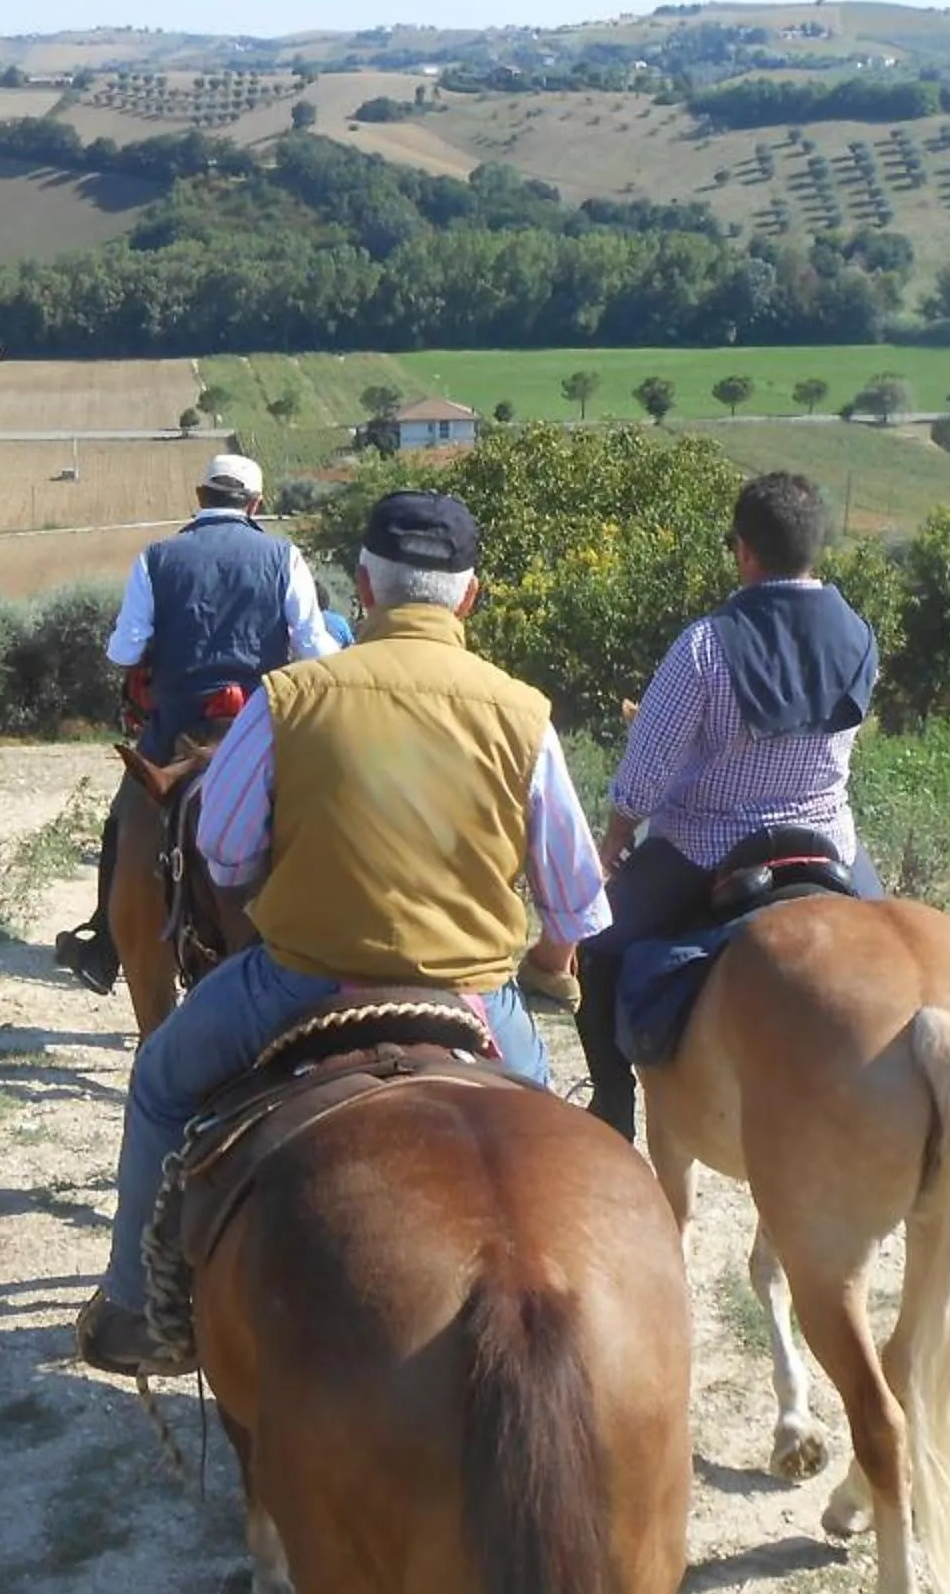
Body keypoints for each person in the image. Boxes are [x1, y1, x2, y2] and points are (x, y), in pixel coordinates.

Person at [72, 488, 612, 1376]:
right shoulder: (523, 713)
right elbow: (577, 900)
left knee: (162, 1081)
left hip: (301, 976)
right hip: (471, 995)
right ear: (470, 598)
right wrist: (550, 960)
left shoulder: (291, 697)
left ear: (362, 587)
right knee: (543, 1131)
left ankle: (134, 1306)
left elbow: (223, 848)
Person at [574, 470, 883, 1140]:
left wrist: (614, 839)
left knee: (596, 945)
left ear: (744, 550)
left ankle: (612, 1110)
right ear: (815, 547)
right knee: (891, 943)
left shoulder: (706, 645)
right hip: (828, 839)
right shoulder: (860, 636)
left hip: (707, 847)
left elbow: (646, 771)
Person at [53, 450, 339, 994]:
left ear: (201, 497)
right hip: (261, 732)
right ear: (255, 504)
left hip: (174, 733)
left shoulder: (156, 558)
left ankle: (105, 946)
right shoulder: (284, 556)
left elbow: (123, 651)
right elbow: (313, 647)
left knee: (124, 819)